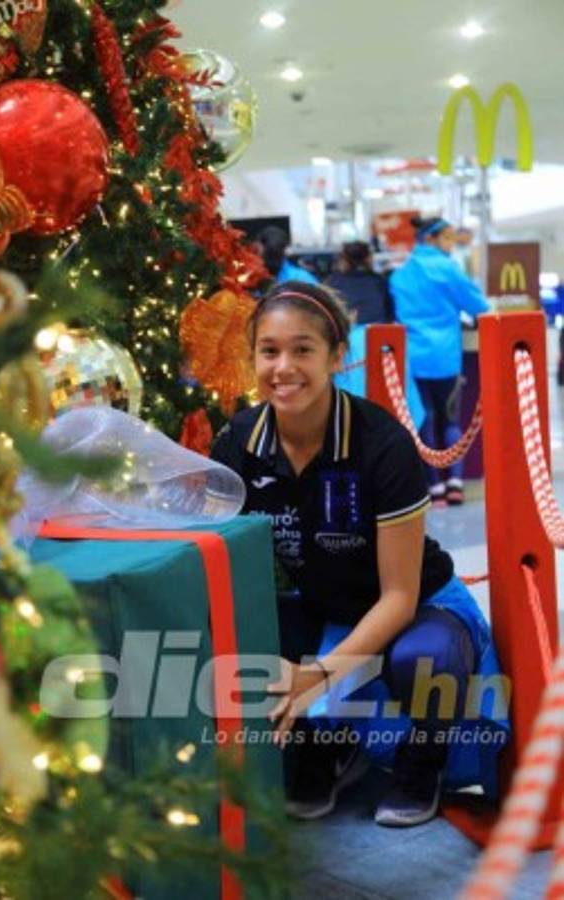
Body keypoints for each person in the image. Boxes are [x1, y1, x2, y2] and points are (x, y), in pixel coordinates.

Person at [211, 280, 508, 827]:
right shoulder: (237, 443)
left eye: (303, 350)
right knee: (258, 635)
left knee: (424, 659)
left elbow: (398, 597)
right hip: (325, 604)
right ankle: (328, 749)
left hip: (419, 602)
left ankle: (424, 764)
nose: (284, 367)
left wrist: (321, 674)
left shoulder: (381, 443)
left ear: (337, 356)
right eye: (269, 351)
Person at [389, 217, 490, 506]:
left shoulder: (399, 275)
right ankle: (455, 484)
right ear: (430, 238)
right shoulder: (448, 269)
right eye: (447, 238)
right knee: (451, 418)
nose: (451, 244)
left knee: (425, 420)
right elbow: (479, 306)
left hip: (413, 357)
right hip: (445, 356)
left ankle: (434, 490)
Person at [326, 240, 393, 325]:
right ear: (369, 258)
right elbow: (390, 315)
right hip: (376, 333)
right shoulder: (380, 283)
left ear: (343, 259)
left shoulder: (332, 283)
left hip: (346, 333)